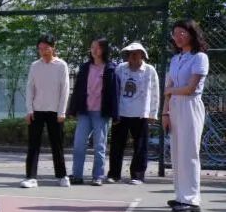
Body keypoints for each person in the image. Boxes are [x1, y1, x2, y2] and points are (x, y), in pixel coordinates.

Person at [163, 19, 209, 212]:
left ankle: (192, 200)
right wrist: (165, 112)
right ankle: (181, 196)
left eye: (182, 32)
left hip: (190, 106)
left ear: (191, 34)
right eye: (175, 34)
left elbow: (190, 88)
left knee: (189, 153)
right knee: (177, 153)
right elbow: (168, 89)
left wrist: (170, 90)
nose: (178, 37)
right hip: (174, 107)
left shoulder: (200, 57)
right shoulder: (175, 59)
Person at [20, 34, 71, 189]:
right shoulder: (35, 66)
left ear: (53, 47)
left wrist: (62, 112)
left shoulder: (61, 65)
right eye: (40, 48)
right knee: (33, 145)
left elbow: (65, 90)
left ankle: (62, 176)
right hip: (37, 110)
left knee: (57, 144)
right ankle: (31, 177)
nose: (43, 51)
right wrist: (29, 110)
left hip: (55, 112)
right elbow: (30, 88)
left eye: (46, 48)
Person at [106, 42, 160, 185]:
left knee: (141, 146)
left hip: (141, 113)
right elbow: (114, 90)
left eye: (136, 53)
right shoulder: (120, 68)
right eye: (130, 54)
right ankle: (114, 174)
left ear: (142, 55)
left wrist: (153, 113)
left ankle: (137, 175)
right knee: (116, 145)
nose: (133, 56)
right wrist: (113, 111)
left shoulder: (150, 70)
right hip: (121, 112)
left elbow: (155, 92)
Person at [68, 37, 119, 186]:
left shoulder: (111, 68)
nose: (94, 50)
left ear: (104, 49)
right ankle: (77, 175)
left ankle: (98, 176)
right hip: (85, 111)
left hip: (101, 113)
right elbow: (77, 90)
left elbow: (114, 94)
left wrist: (115, 114)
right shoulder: (85, 67)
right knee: (78, 144)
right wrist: (72, 109)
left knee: (99, 146)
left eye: (98, 47)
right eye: (92, 47)